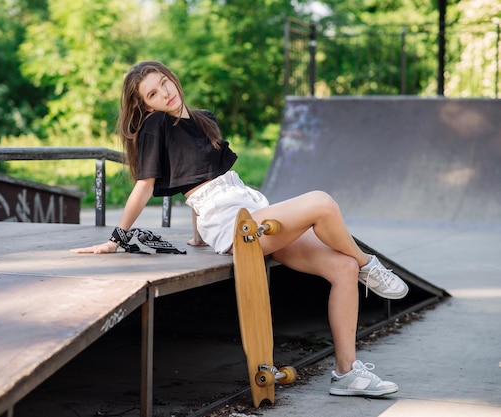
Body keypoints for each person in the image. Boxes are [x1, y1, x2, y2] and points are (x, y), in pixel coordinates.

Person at [71, 61, 409, 397]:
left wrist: (197, 237)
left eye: (164, 82)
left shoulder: (203, 120)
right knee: (322, 203)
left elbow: (199, 176)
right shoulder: (156, 125)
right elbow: (146, 186)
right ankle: (369, 265)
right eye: (153, 94)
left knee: (342, 267)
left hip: (252, 210)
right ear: (146, 106)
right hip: (233, 223)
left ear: (173, 77)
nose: (165, 93)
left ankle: (346, 373)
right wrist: (116, 240)